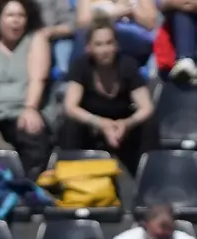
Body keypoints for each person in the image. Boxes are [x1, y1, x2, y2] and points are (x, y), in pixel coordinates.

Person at [0, 0, 57, 167]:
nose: (16, 20)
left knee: (34, 138)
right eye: (10, 15)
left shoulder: (35, 40)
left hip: (21, 113)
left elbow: (38, 79)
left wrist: (30, 108)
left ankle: (30, 188)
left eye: (21, 15)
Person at [60, 20, 154, 169]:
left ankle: (149, 176)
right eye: (99, 44)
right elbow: (70, 106)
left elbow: (146, 107)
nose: (105, 49)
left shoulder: (128, 65)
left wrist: (127, 124)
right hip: (92, 127)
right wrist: (100, 124)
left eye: (109, 43)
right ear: (89, 48)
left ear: (116, 45)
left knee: (149, 125)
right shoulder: (81, 66)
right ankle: (71, 175)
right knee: (70, 125)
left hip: (123, 127)